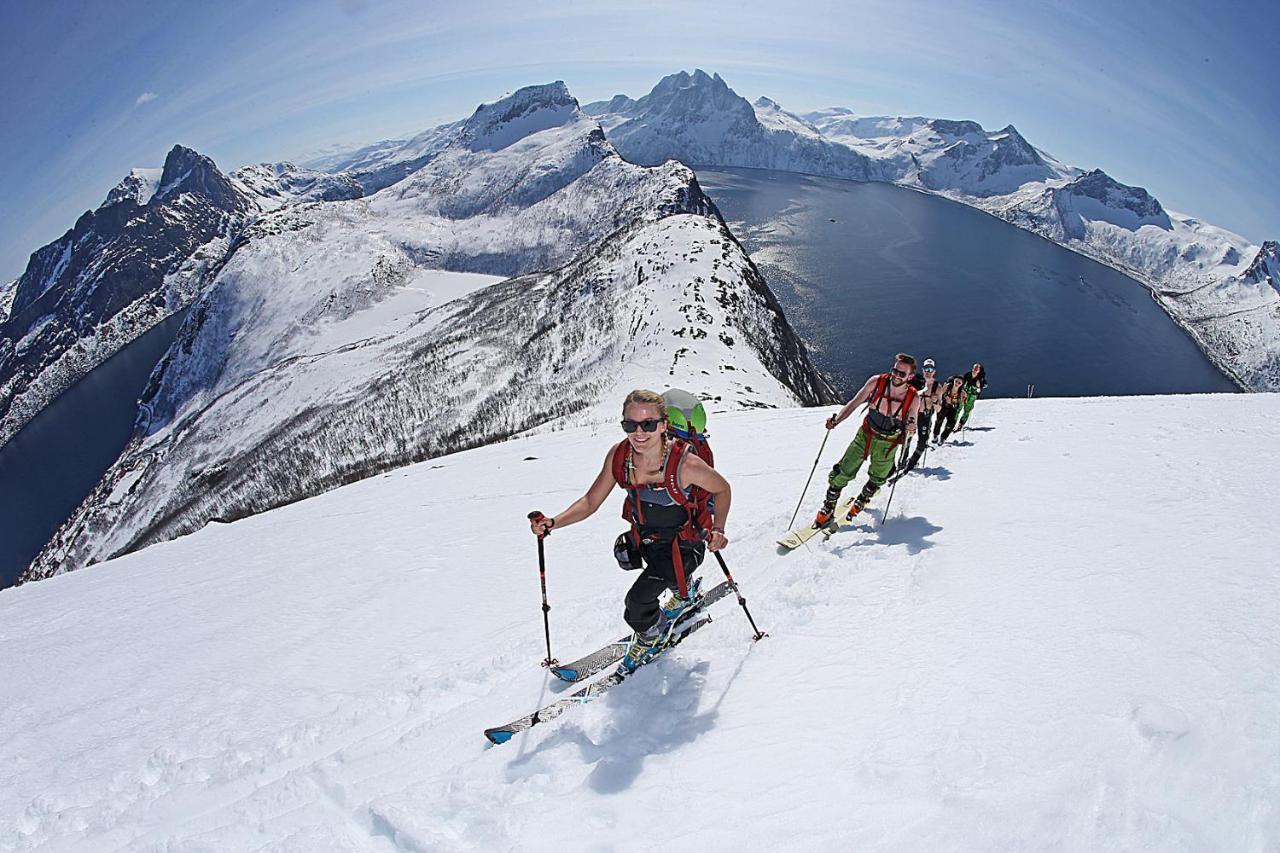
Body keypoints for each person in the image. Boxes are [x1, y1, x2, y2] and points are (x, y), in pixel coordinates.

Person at [530, 389, 732, 671]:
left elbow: (722, 489)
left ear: (663, 425)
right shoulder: (620, 456)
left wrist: (719, 528)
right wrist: (553, 522)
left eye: (648, 424)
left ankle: (653, 635)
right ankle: (683, 593)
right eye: (630, 424)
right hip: (648, 539)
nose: (639, 432)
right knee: (635, 559)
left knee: (636, 604)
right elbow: (590, 501)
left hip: (685, 544)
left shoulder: (686, 464)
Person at [813, 354, 923, 526]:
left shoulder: (913, 398)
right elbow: (854, 403)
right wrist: (836, 421)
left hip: (889, 441)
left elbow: (912, 423)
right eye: (895, 371)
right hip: (867, 434)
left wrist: (911, 429)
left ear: (910, 377)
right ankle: (828, 507)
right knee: (845, 468)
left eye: (902, 374)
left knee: (879, 475)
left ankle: (863, 499)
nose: (896, 375)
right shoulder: (876, 382)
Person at [894, 357, 943, 478]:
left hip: (925, 416)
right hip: (912, 415)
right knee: (907, 439)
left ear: (934, 371)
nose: (928, 371)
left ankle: (912, 461)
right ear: (923, 370)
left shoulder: (937, 387)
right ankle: (903, 461)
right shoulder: (916, 382)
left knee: (922, 442)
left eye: (930, 368)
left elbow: (939, 410)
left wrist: (935, 402)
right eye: (926, 368)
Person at [932, 373, 967, 445]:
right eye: (956, 381)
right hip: (944, 406)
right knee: (939, 420)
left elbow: (963, 401)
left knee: (951, 424)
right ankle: (935, 435)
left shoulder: (961, 392)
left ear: (961, 384)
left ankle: (943, 437)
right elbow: (941, 394)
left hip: (953, 408)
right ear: (954, 380)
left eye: (959, 383)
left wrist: (964, 400)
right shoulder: (947, 386)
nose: (957, 383)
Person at [957, 362, 988, 430]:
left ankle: (961, 424)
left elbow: (979, 391)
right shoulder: (967, 375)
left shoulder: (980, 379)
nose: (975, 370)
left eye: (977, 369)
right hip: (964, 392)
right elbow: (962, 384)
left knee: (967, 410)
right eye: (974, 368)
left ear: (979, 371)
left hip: (972, 396)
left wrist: (978, 387)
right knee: (958, 407)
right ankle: (952, 423)